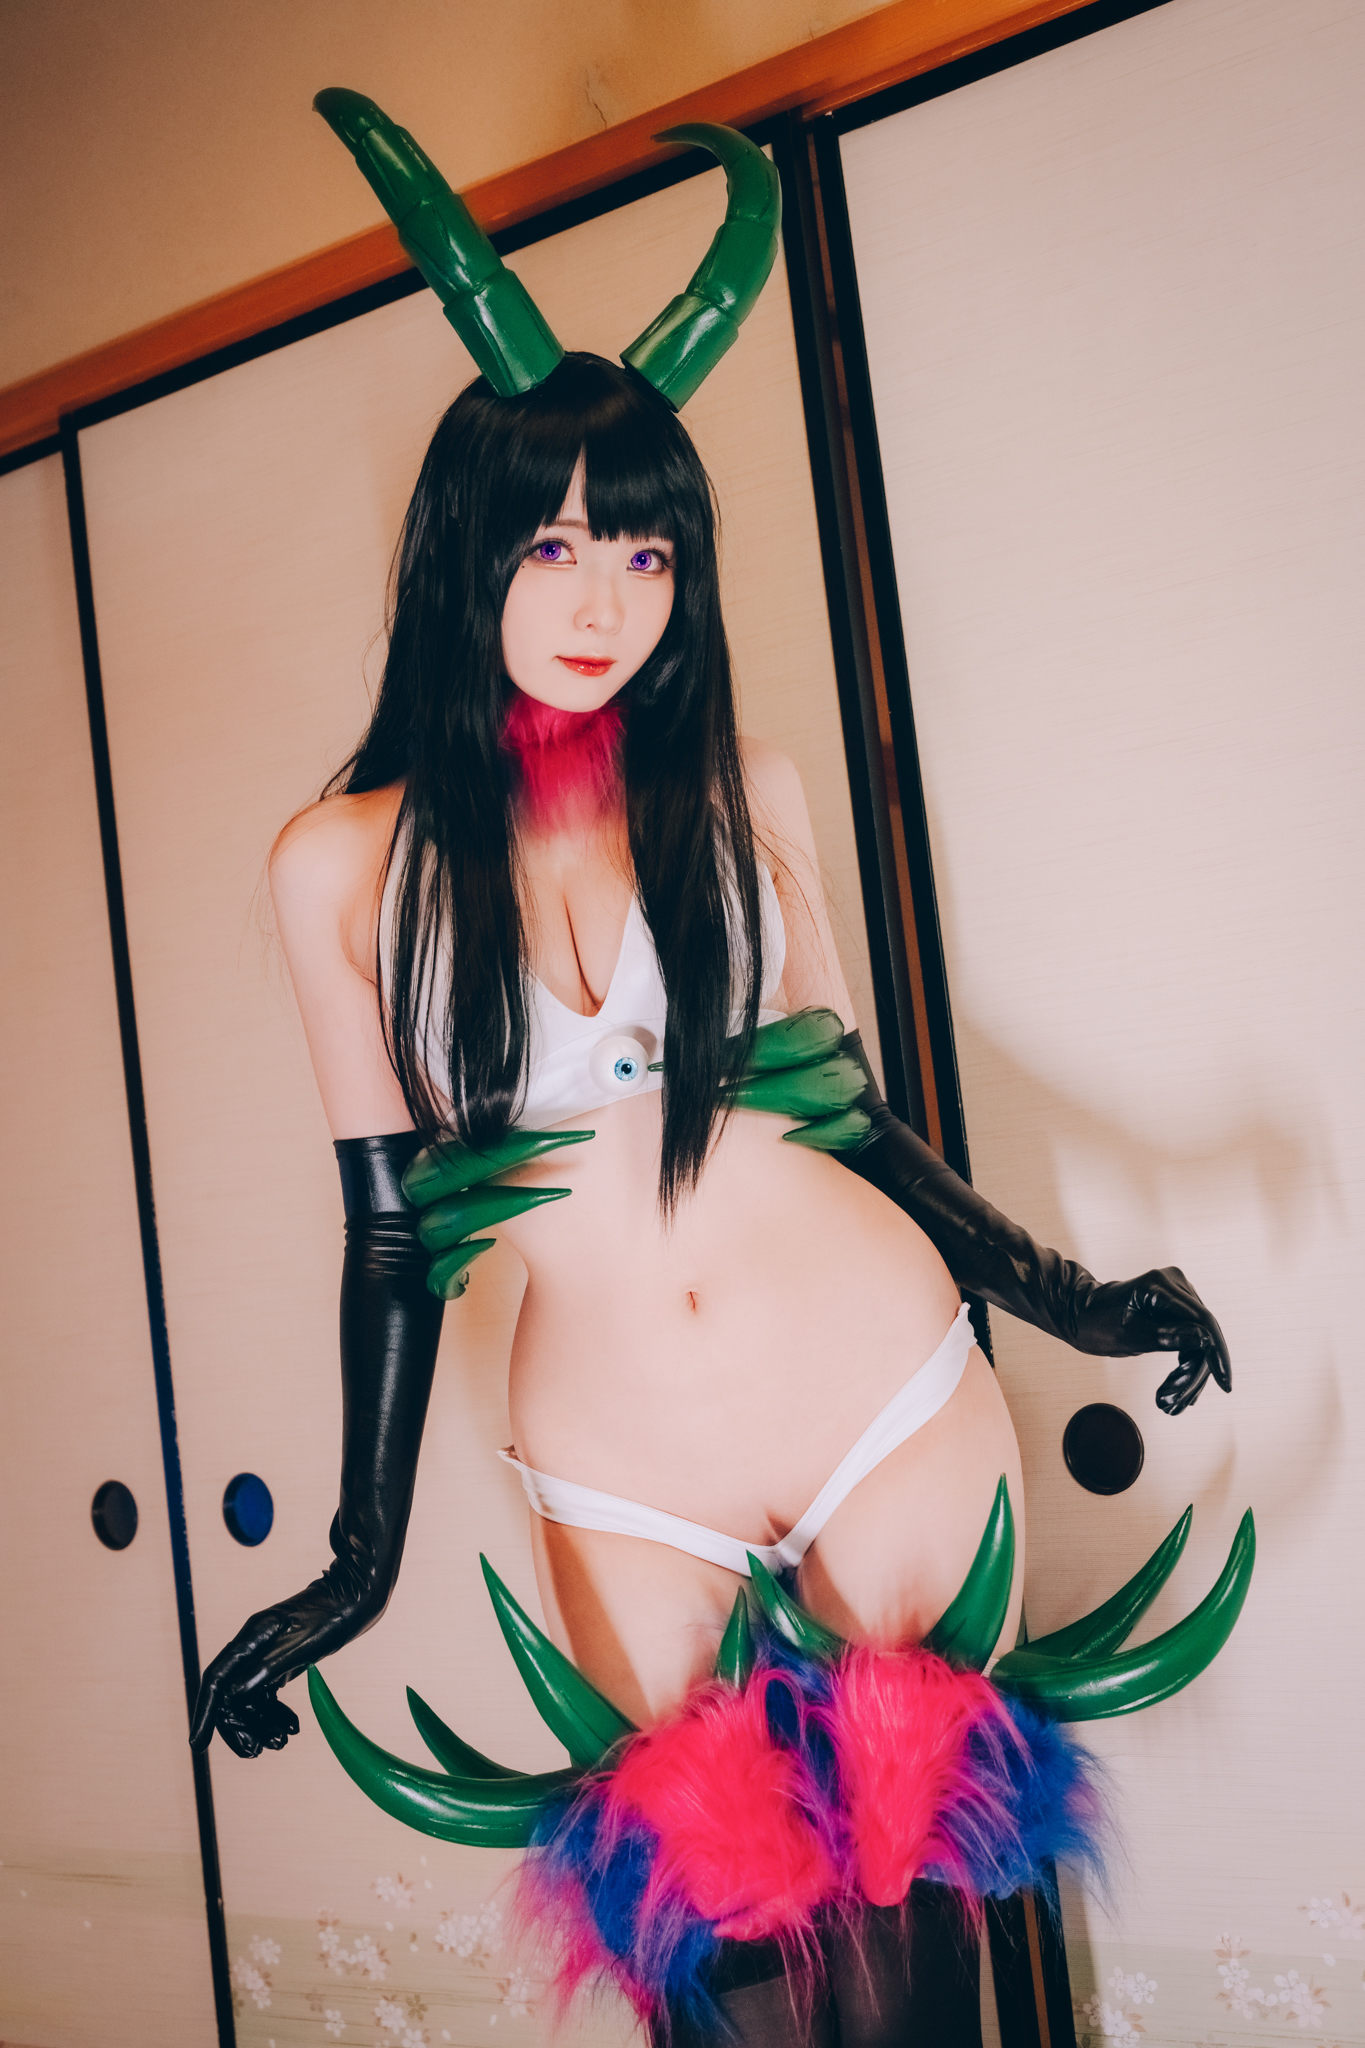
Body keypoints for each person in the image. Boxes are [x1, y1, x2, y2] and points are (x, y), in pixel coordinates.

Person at [190, 97, 1233, 2047]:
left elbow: (861, 1126)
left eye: (647, 551)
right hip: (621, 1469)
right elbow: (391, 1235)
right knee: (729, 1975)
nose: (605, 600)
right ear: (468, 549)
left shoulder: (740, 790)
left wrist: (1071, 1299)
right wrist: (351, 1559)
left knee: (922, 1975)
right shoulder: (337, 863)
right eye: (556, 543)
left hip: (887, 1403)